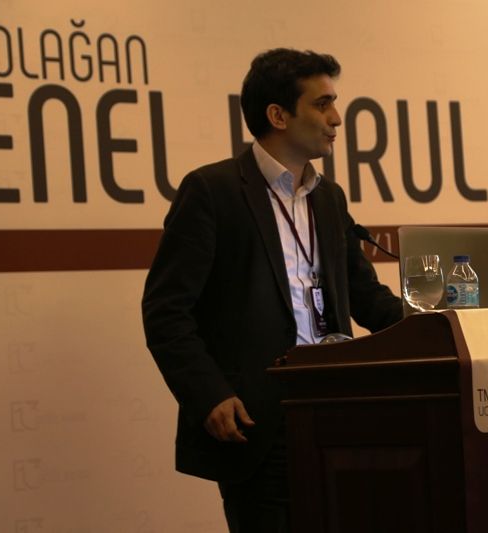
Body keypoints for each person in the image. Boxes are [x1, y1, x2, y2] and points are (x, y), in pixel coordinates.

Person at [141, 48, 403, 533]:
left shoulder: (329, 198)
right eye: (322, 104)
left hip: (337, 411)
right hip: (258, 422)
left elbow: (368, 299)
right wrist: (209, 395)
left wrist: (446, 322)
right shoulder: (213, 191)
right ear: (278, 115)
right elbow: (166, 311)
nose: (336, 118)